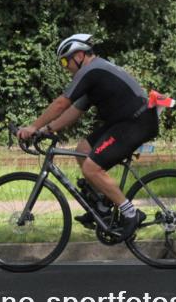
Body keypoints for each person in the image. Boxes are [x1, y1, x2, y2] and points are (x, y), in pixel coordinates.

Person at [18, 33, 158, 240]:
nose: (65, 67)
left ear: (80, 55)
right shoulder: (95, 74)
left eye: (66, 61)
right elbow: (74, 110)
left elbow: (61, 104)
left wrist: (33, 126)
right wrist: (46, 130)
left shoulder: (92, 70)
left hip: (135, 122)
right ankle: (101, 206)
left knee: (92, 167)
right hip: (124, 121)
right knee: (83, 150)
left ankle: (131, 214)